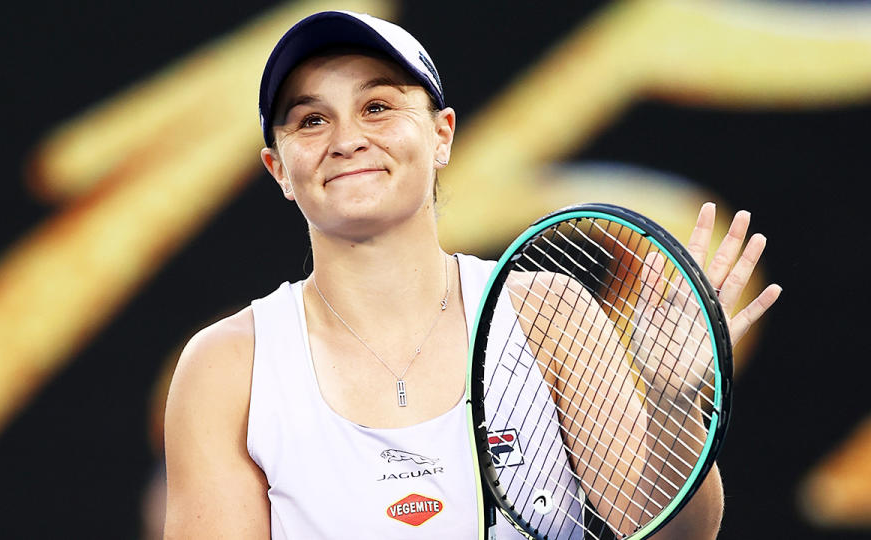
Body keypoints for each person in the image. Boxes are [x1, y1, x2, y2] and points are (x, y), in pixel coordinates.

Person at [163, 11, 781, 539]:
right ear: (278, 168)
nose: (347, 139)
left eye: (377, 106)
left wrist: (673, 404)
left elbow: (666, 533)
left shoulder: (548, 313)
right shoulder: (225, 367)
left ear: (441, 135)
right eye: (311, 120)